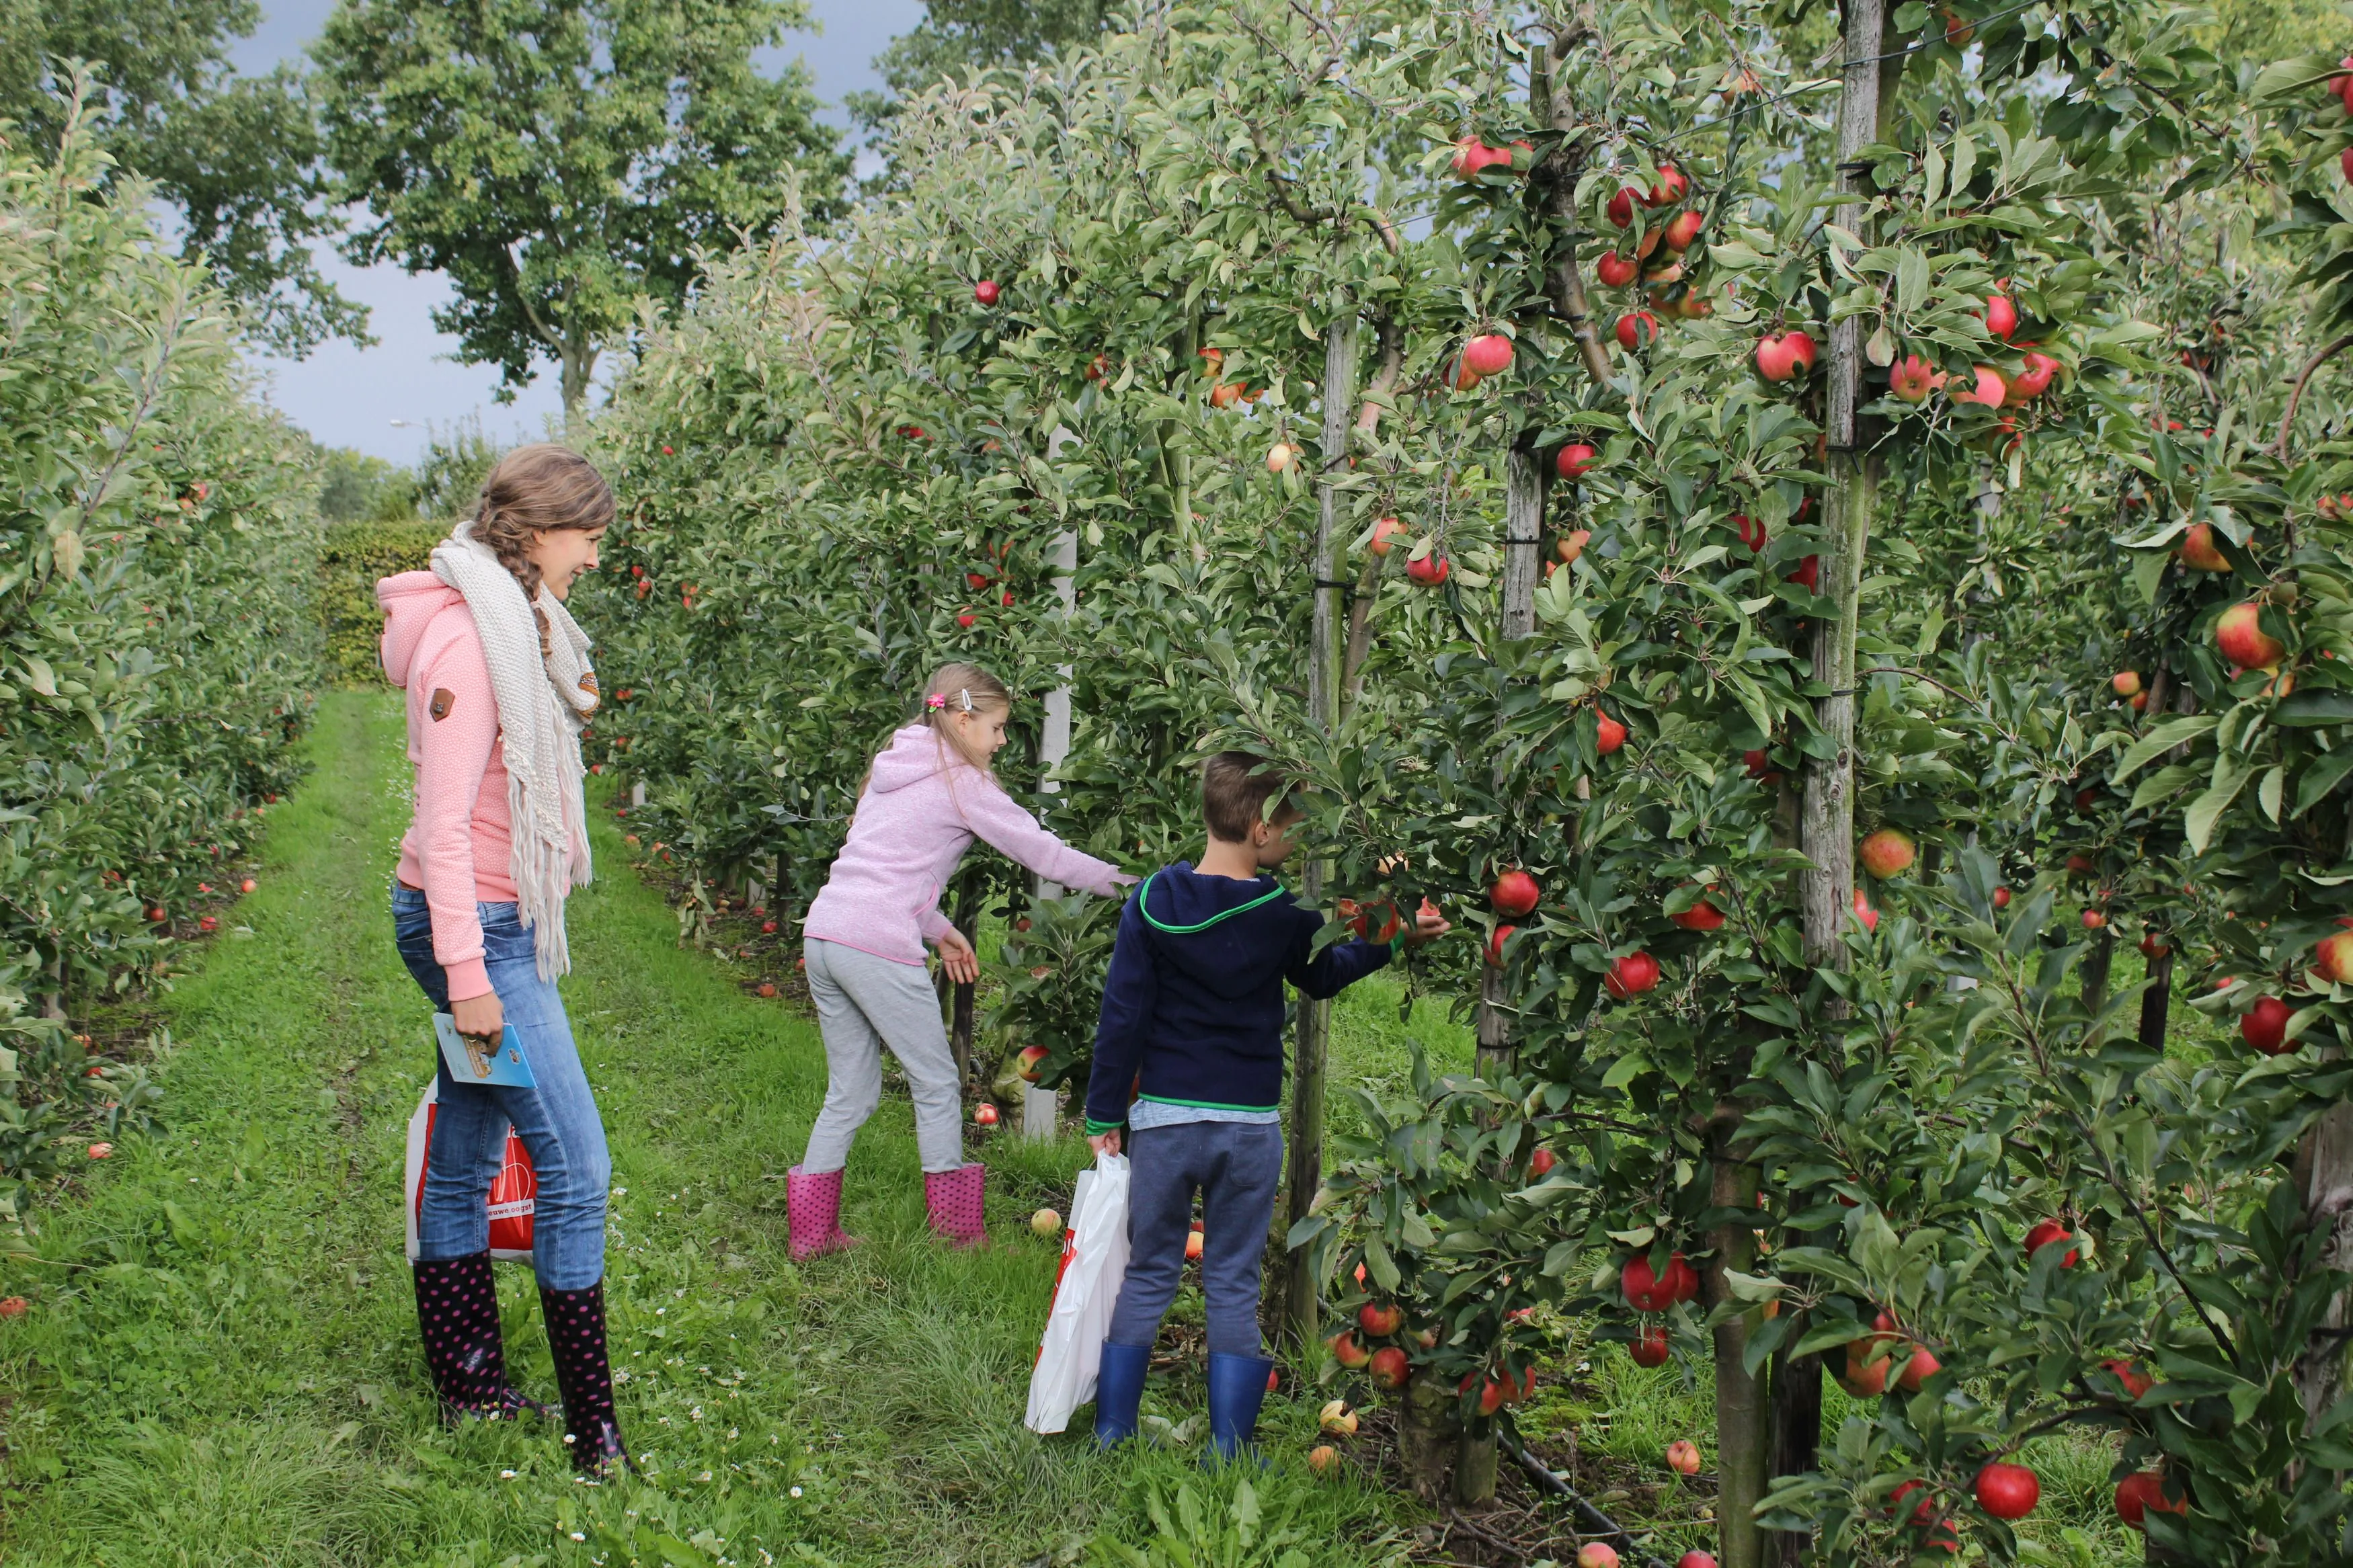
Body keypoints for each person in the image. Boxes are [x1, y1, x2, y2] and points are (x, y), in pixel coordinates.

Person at [377, 444, 627, 1476]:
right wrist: (471, 978)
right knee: (577, 1167)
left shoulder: (510, 621)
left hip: (487, 916)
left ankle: (472, 1393)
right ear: (535, 535)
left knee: (471, 1153)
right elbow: (441, 827)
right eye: (589, 538)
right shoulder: (472, 649)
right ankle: (593, 1433)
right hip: (474, 926)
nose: (598, 560)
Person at [1084, 753, 1447, 1460]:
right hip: (1246, 1127)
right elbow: (1323, 975)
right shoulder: (1281, 914)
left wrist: (1103, 1114)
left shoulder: (1152, 901)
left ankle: (1111, 1429)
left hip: (1163, 1122)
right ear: (1257, 830)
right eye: (1291, 826)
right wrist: (1392, 932)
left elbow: (1122, 1014)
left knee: (1151, 1269)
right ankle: (1229, 1444)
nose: (1298, 839)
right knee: (1229, 1277)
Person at [791, 663, 1133, 1256]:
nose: (1002, 741)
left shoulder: (894, 765)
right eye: (998, 727)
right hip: (874, 942)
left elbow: (884, 866)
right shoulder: (963, 783)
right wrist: (1132, 882)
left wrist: (940, 928)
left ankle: (811, 1237)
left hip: (825, 934)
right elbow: (1044, 853)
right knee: (936, 1081)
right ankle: (957, 1235)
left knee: (850, 1091)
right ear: (963, 717)